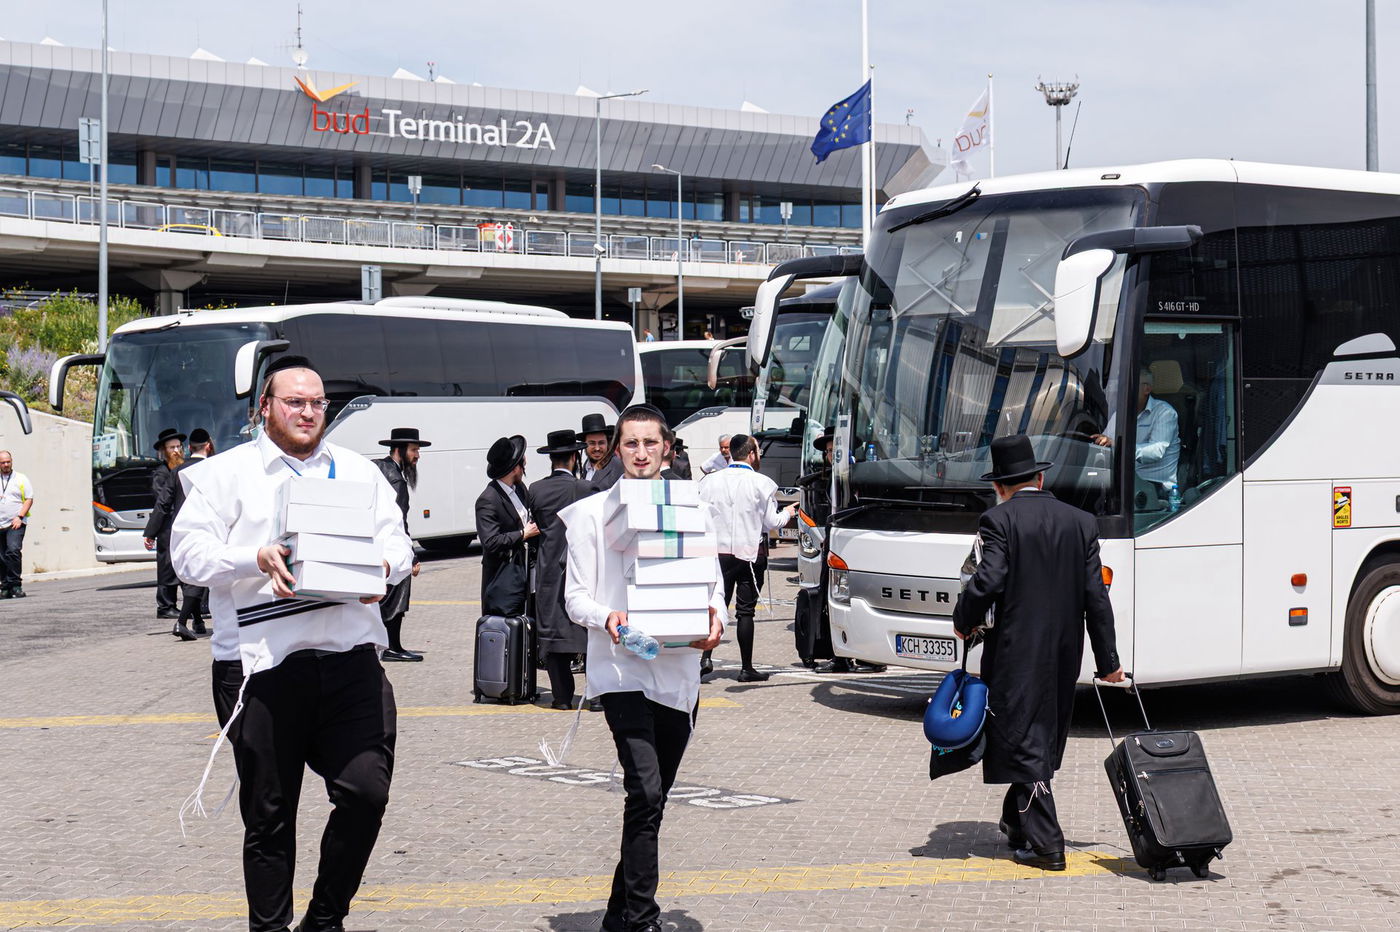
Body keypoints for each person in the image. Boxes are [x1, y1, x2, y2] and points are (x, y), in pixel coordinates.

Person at [171, 354, 414, 932]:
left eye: (317, 402)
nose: (308, 412)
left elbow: (398, 542)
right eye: (295, 402)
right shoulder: (224, 475)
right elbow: (187, 556)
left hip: (350, 658)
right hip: (260, 668)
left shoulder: (358, 471)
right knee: (270, 816)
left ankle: (324, 919)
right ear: (265, 408)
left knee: (366, 793)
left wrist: (384, 568)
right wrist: (252, 557)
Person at [561, 404, 725, 932]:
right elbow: (575, 597)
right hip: (621, 671)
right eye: (630, 443)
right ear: (616, 449)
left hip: (679, 675)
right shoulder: (590, 515)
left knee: (652, 803)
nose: (640, 453)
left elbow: (713, 584)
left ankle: (618, 914)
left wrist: (716, 620)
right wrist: (606, 617)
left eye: (650, 443)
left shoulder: (694, 508)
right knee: (646, 791)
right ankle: (642, 919)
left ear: (667, 448)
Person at [951, 434, 1123, 873]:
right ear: (1040, 478)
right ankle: (1016, 823)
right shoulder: (1081, 522)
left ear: (999, 486)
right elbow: (1096, 598)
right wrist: (1109, 662)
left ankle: (1048, 845)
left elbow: (988, 580)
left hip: (1015, 652)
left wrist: (963, 618)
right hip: (1064, 652)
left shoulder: (997, 520)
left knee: (1024, 741)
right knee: (1036, 736)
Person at [697, 433, 795, 681]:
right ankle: (746, 668)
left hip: (717, 553)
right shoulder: (763, 483)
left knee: (714, 605)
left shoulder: (709, 481)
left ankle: (705, 658)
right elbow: (773, 522)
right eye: (758, 451)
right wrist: (788, 512)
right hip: (750, 554)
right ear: (751, 454)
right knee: (745, 611)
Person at [528, 429, 593, 709]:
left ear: (551, 459)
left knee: (553, 634)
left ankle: (561, 698)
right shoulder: (585, 488)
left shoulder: (535, 490)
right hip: (581, 568)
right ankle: (596, 696)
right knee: (587, 632)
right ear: (574, 457)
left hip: (548, 571)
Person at [375, 427, 428, 662]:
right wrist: (412, 555)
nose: (417, 456)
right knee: (397, 596)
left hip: (376, 545)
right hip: (391, 548)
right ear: (399, 450)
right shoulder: (396, 480)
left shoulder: (378, 468)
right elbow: (399, 523)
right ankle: (392, 647)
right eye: (414, 450)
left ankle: (384, 644)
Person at [475, 435, 539, 616]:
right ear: (514, 469)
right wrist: (523, 534)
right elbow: (490, 541)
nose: (525, 466)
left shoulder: (520, 489)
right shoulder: (488, 500)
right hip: (502, 583)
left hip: (525, 575)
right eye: (522, 464)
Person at [1092, 368, 1181, 493]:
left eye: (1127, 385)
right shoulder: (1120, 414)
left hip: (1156, 488)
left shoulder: (1165, 412)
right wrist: (1098, 442)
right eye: (1121, 386)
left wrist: (1119, 445)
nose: (1121, 391)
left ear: (1147, 389)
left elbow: (1156, 452)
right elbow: (1106, 443)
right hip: (1122, 483)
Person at [172, 428, 214, 638]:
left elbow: (164, 501)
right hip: (204, 527)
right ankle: (181, 622)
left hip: (180, 528)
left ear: (189, 447)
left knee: (192, 575)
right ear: (209, 445)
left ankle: (197, 622)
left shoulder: (178, 470)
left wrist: (151, 532)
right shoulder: (213, 468)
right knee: (198, 578)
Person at [143, 427, 186, 625]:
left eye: (178, 446)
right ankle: (166, 606)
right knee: (167, 566)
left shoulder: (185, 468)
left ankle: (193, 605)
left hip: (183, 524)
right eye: (172, 448)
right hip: (168, 526)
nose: (176, 451)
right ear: (164, 451)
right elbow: (162, 503)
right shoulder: (160, 474)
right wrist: (151, 532)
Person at [0, 450, 33, 599]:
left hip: (16, 523)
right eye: (3, 462)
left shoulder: (21, 478)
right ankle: (5, 586)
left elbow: (29, 499)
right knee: (1, 557)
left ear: (11, 461)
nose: (6, 464)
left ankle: (15, 585)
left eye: (8, 462)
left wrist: (20, 517)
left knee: (13, 551)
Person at [580, 412, 623, 490]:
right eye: (592, 443)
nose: (597, 448)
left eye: (601, 443)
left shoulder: (618, 466)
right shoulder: (585, 467)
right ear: (584, 444)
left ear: (607, 443)